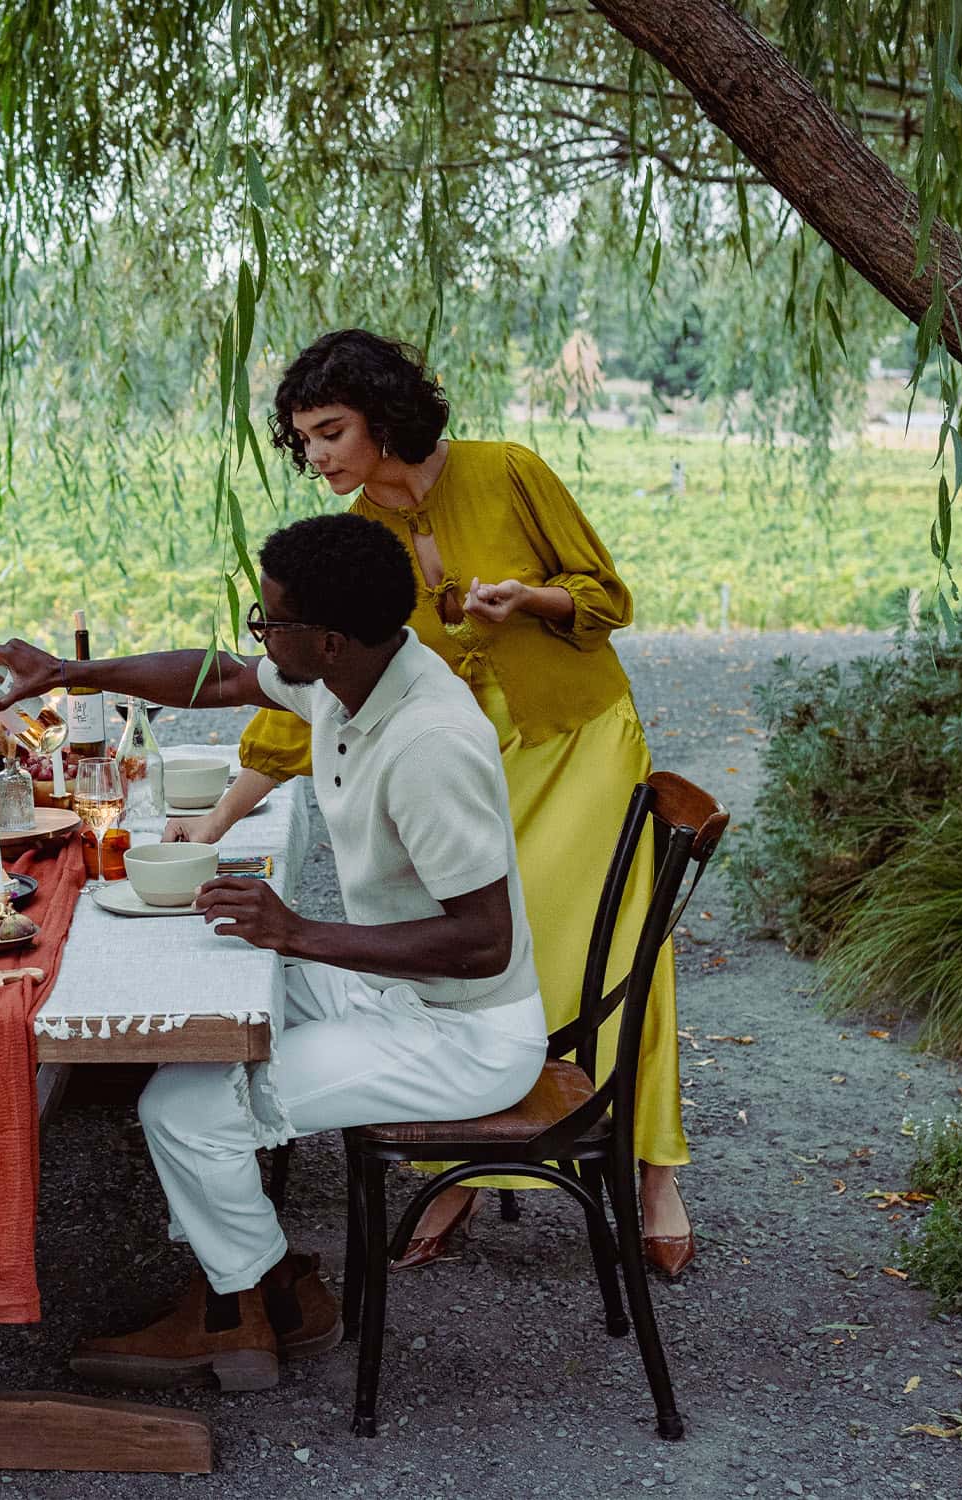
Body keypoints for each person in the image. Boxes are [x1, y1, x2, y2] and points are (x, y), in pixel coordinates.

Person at [0, 513, 547, 1390]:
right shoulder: (354, 678)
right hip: (394, 989)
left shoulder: (427, 743)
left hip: (463, 1033)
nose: (258, 636)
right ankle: (273, 1286)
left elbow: (484, 942)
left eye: (269, 620)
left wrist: (297, 933)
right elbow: (220, 678)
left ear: (327, 640)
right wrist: (68, 672)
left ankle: (236, 1312)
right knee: (201, 1003)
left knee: (184, 1111)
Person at [168, 330, 694, 1277]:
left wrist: (528, 602)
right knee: (490, 962)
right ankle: (459, 1165)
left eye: (331, 431)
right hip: (475, 769)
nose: (317, 456)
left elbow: (606, 598)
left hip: (577, 743)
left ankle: (654, 1175)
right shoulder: (357, 544)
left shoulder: (508, 472)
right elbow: (310, 695)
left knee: (616, 963)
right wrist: (213, 823)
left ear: (384, 416)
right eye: (304, 439)